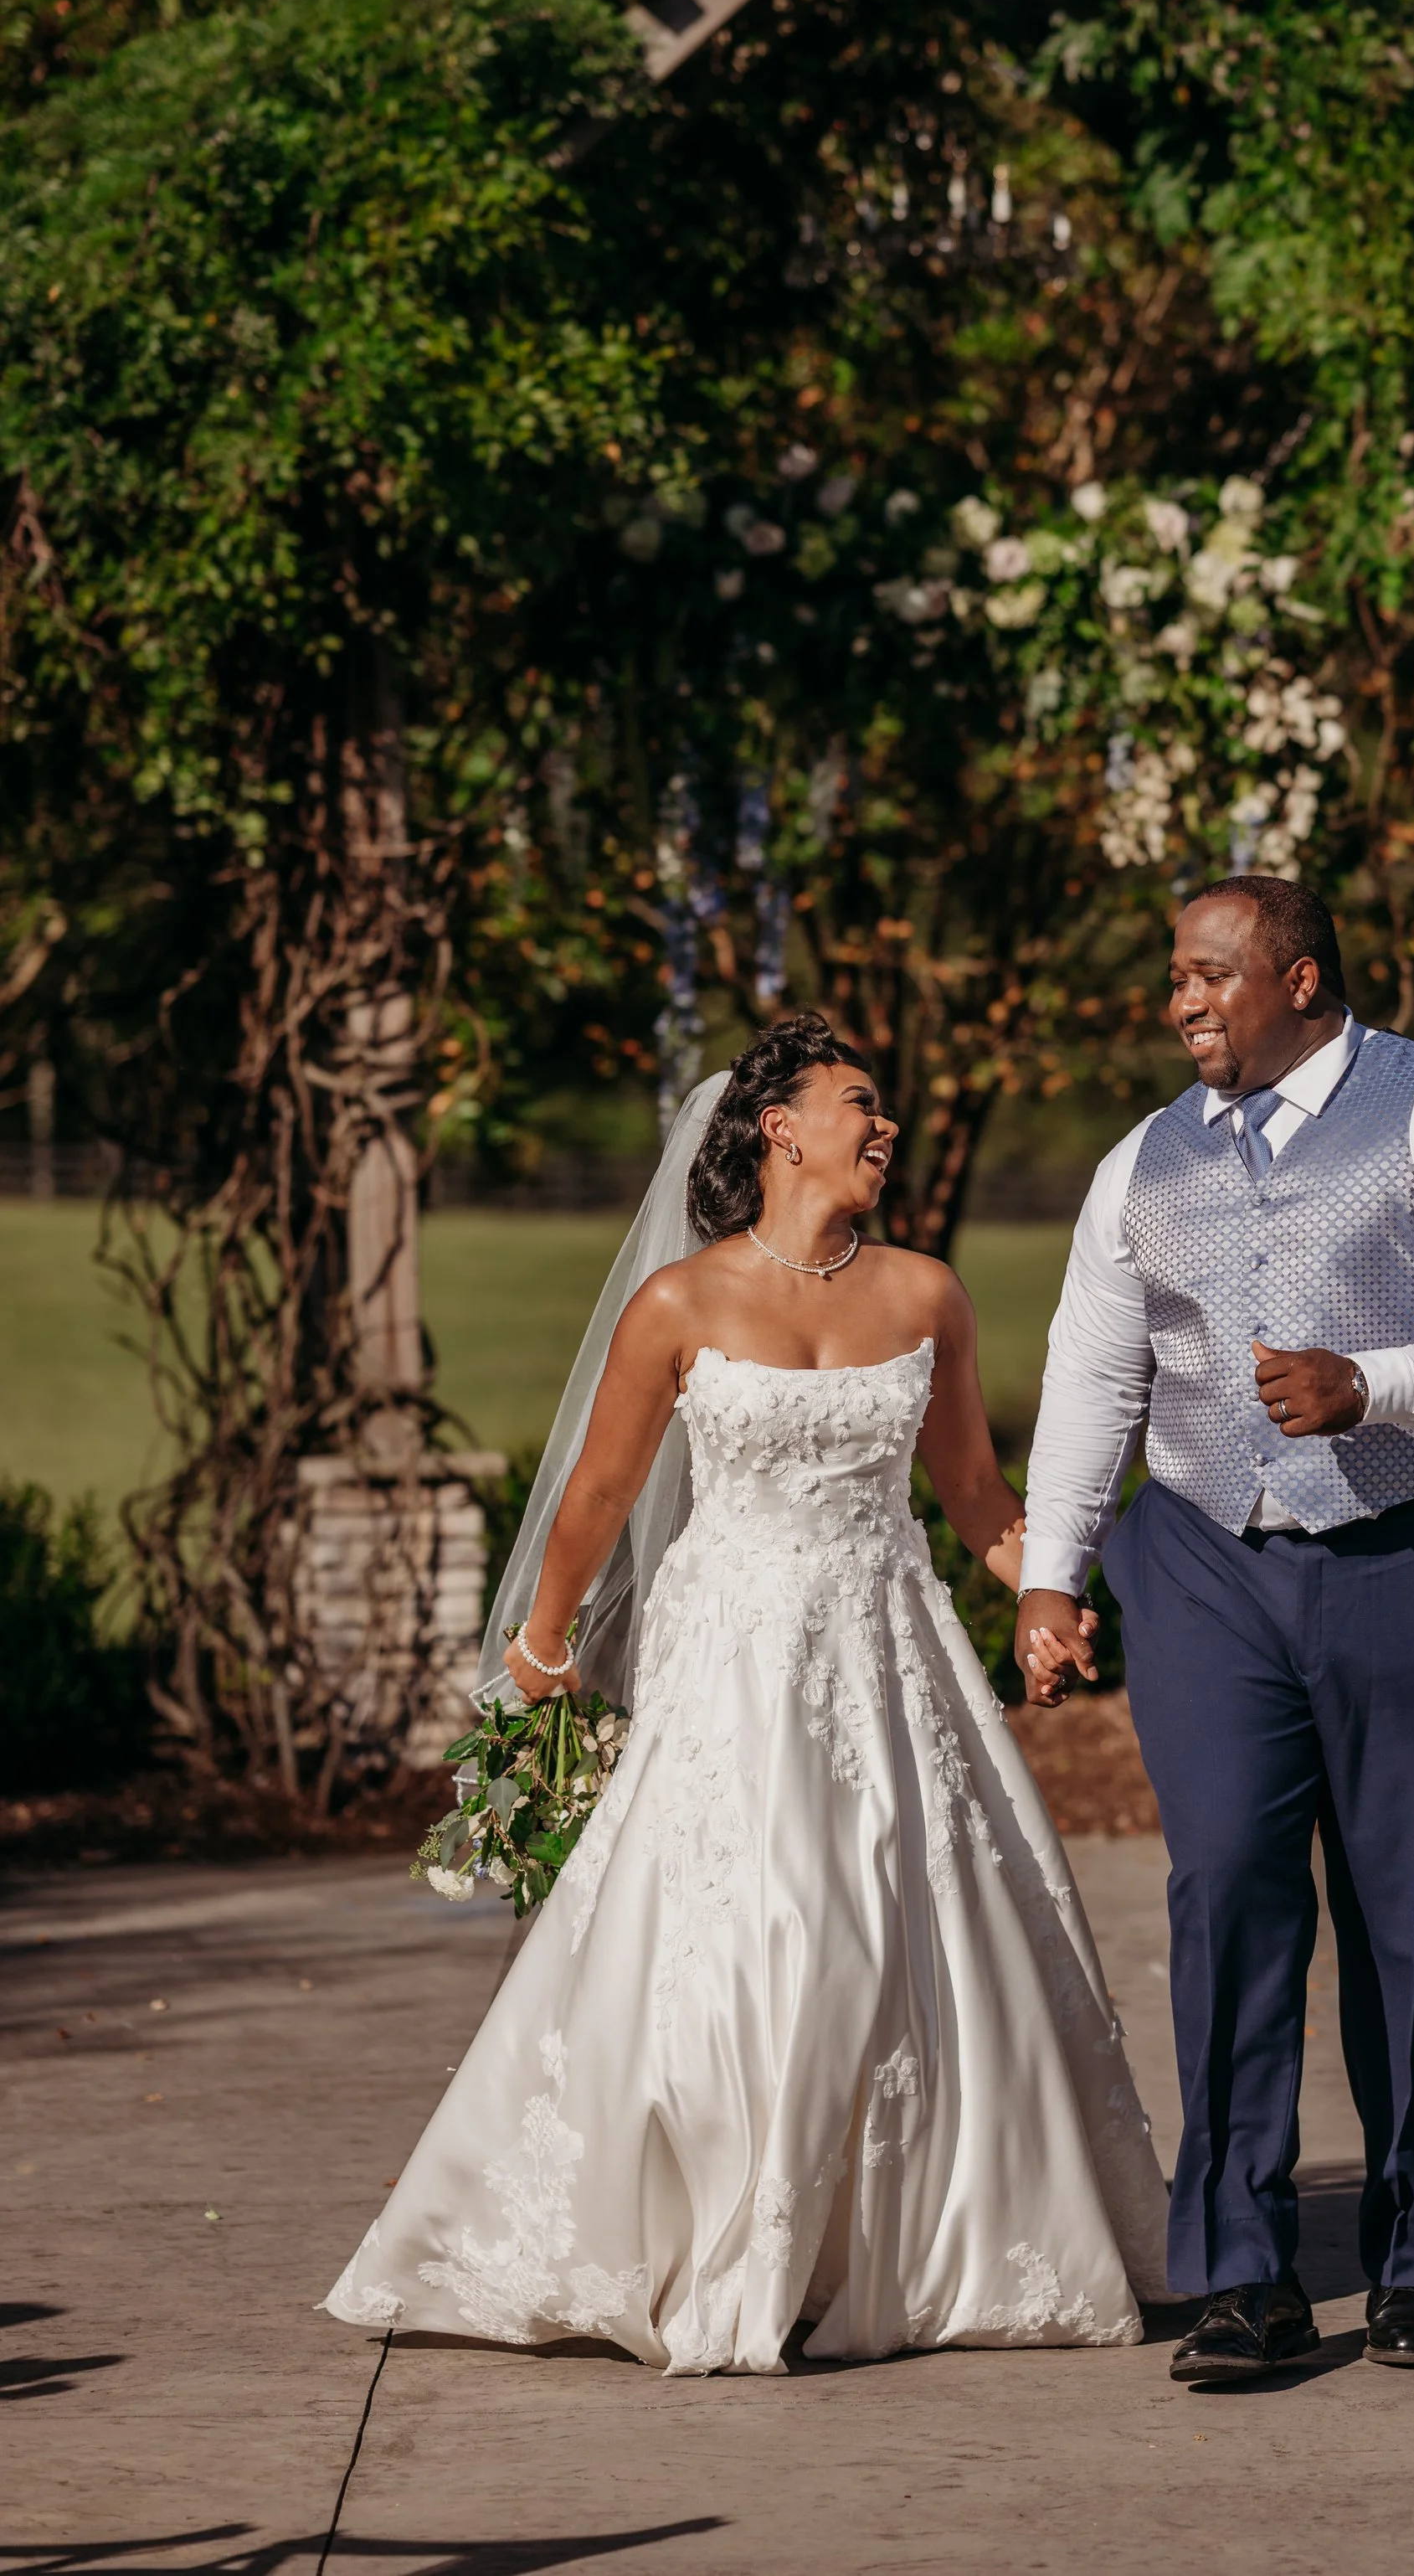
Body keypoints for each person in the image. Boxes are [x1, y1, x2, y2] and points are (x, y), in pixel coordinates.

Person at [325, 1013, 1167, 2374]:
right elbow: (598, 1494)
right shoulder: (682, 1302)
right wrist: (541, 1655)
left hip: (891, 1654)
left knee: (913, 1922)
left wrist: (1044, 1595)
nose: (883, 1126)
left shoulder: (926, 1294)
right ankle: (713, 2228)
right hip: (731, 1660)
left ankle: (906, 2235)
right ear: (778, 1126)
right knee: (747, 1927)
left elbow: (970, 1493)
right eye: (859, 1101)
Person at [1016, 875, 1414, 2388]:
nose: (1182, 1002)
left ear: (1301, 976)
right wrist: (1056, 1569)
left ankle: (1410, 2259)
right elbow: (1093, 1364)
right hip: (1204, 1557)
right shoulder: (1144, 1159)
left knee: (1411, 1910)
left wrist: (1385, 1381)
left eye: (1209, 976)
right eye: (1172, 980)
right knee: (1225, 1898)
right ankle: (1244, 2272)